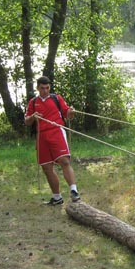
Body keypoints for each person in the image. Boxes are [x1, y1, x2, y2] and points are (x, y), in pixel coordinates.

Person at [24, 76, 81, 205]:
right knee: (46, 167)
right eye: (42, 88)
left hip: (56, 131)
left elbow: (67, 114)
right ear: (37, 88)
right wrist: (33, 117)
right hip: (41, 135)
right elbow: (27, 121)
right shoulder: (33, 102)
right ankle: (57, 197)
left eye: (47, 88)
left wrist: (71, 112)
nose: (45, 90)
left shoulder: (56, 98)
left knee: (64, 161)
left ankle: (74, 191)